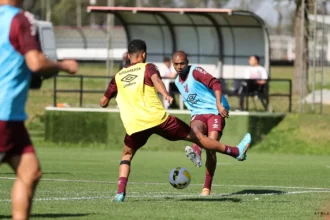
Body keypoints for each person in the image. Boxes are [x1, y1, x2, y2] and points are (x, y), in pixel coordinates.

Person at [99, 39, 251, 203]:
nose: (179, 66)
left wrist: (111, 97)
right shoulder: (148, 67)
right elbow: (157, 81)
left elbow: (103, 102)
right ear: (144, 55)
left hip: (135, 125)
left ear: (128, 56)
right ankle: (235, 151)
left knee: (127, 155)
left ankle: (120, 193)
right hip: (158, 119)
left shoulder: (118, 76)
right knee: (198, 137)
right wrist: (165, 94)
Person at [0, 1, 78, 219]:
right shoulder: (21, 19)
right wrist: (64, 65)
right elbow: (35, 63)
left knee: (31, 172)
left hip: (12, 119)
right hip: (3, 115)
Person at [172, 51, 231, 196]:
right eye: (176, 64)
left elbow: (215, 83)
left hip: (215, 110)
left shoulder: (195, 71)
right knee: (194, 130)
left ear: (187, 62)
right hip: (198, 113)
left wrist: (218, 104)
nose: (179, 67)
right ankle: (196, 154)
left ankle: (207, 187)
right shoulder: (177, 82)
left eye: (182, 63)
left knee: (211, 147)